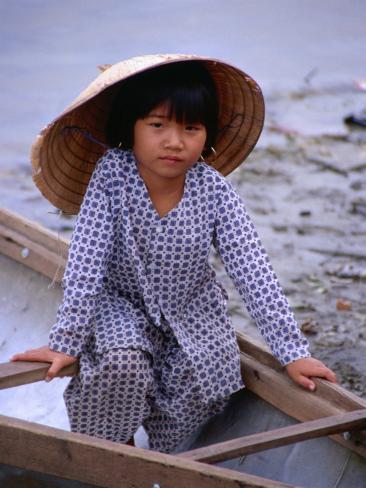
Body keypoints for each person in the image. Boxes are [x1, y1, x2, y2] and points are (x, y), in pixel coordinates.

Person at [12, 54, 336, 454]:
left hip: (191, 308)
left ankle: (165, 454)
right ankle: (113, 444)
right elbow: (85, 262)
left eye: (191, 127)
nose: (174, 141)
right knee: (121, 362)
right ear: (130, 128)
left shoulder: (213, 190)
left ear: (207, 135)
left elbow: (254, 272)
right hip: (120, 304)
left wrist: (292, 353)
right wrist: (66, 341)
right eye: (157, 125)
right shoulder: (112, 175)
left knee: (212, 367)